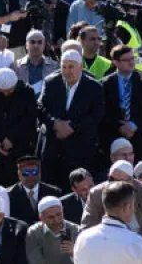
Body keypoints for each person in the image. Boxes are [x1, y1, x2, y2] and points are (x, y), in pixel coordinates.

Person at [37, 49, 105, 189]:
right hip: (53, 147)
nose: (67, 71)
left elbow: (96, 114)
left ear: (80, 67)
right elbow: (40, 107)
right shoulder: (51, 82)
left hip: (79, 147)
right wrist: (55, 123)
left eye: (71, 66)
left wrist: (72, 126)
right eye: (64, 67)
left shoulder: (94, 87)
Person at [81, 160, 142, 252]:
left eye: (119, 181)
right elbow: (87, 225)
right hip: (109, 245)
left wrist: (136, 241)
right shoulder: (96, 194)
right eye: (111, 179)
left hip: (141, 242)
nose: (114, 183)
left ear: (131, 180)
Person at [99, 45, 142, 165]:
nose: (131, 62)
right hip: (114, 134)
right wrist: (120, 126)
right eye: (127, 60)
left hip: (140, 135)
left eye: (132, 58)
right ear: (116, 62)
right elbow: (104, 111)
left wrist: (133, 125)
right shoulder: (105, 84)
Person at [73, 181, 142, 264]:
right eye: (133, 205)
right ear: (127, 207)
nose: (134, 209)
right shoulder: (137, 243)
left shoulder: (82, 238)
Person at [7, 154, 62, 227]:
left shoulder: (54, 193)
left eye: (34, 172)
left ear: (40, 173)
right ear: (19, 175)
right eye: (25, 173)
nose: (30, 176)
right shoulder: (9, 194)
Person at [25, 196, 79, 264]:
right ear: (41, 218)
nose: (56, 220)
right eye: (51, 217)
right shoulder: (34, 233)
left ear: (63, 211)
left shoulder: (76, 230)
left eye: (59, 214)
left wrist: (75, 252)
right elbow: (35, 260)